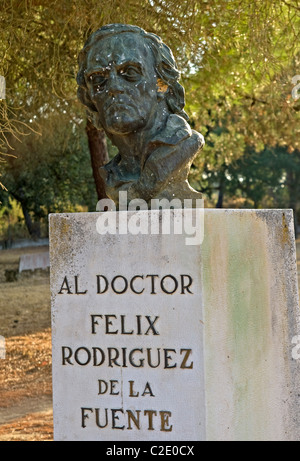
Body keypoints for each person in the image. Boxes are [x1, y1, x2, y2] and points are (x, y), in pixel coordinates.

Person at [77, 24, 204, 207]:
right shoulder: (114, 175)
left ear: (161, 84)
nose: (114, 87)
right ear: (89, 96)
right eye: (98, 79)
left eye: (130, 73)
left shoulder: (184, 144)